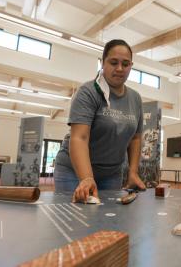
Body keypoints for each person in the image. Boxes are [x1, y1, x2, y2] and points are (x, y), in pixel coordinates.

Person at [54, 39, 146, 202]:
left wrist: (132, 172)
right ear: (102, 63)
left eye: (125, 64)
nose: (119, 68)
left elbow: (136, 138)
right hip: (74, 171)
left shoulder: (135, 98)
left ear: (131, 66)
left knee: (107, 220)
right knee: (77, 220)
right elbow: (79, 138)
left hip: (111, 174)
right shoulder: (87, 92)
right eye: (113, 62)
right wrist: (87, 178)